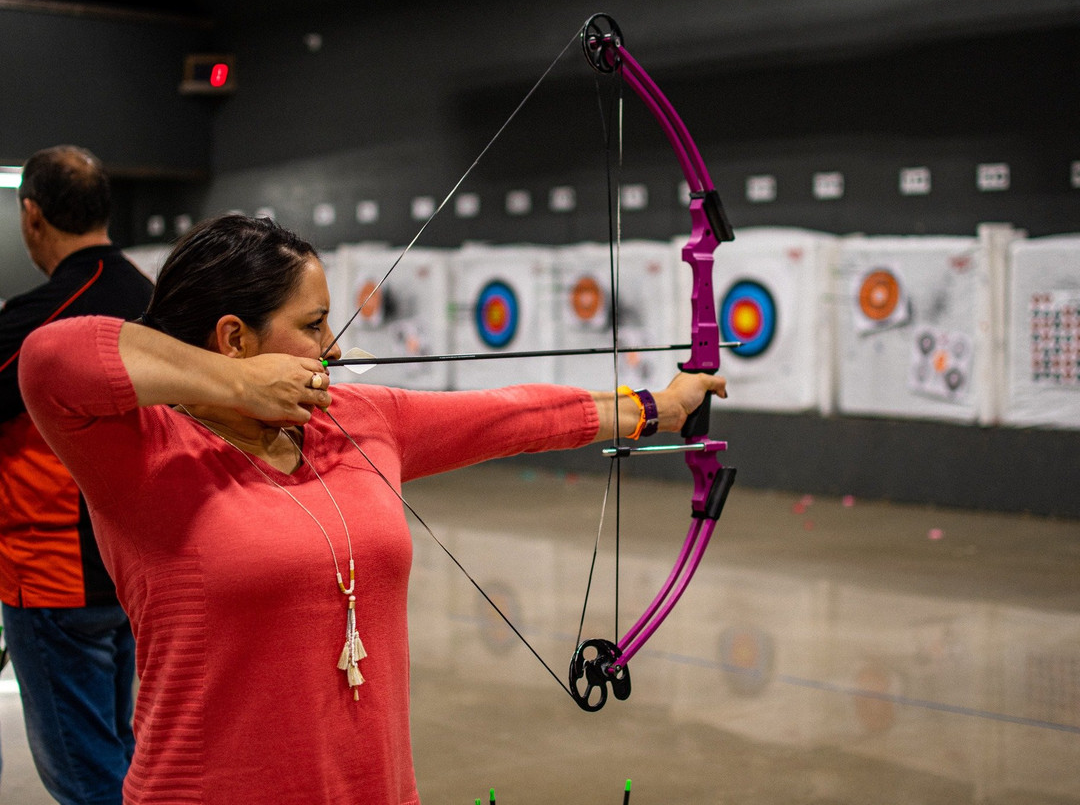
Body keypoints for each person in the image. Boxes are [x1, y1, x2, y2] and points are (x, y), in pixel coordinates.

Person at [18, 214, 727, 805]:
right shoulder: (145, 454)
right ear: (235, 338)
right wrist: (234, 385)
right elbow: (50, 358)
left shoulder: (354, 421)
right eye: (314, 324)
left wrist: (655, 409)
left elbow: (512, 415)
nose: (331, 348)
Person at [0, 145, 152, 804]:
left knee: (85, 775)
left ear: (32, 215)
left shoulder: (37, 320)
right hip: (132, 570)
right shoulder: (155, 298)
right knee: (116, 753)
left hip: (56, 579)